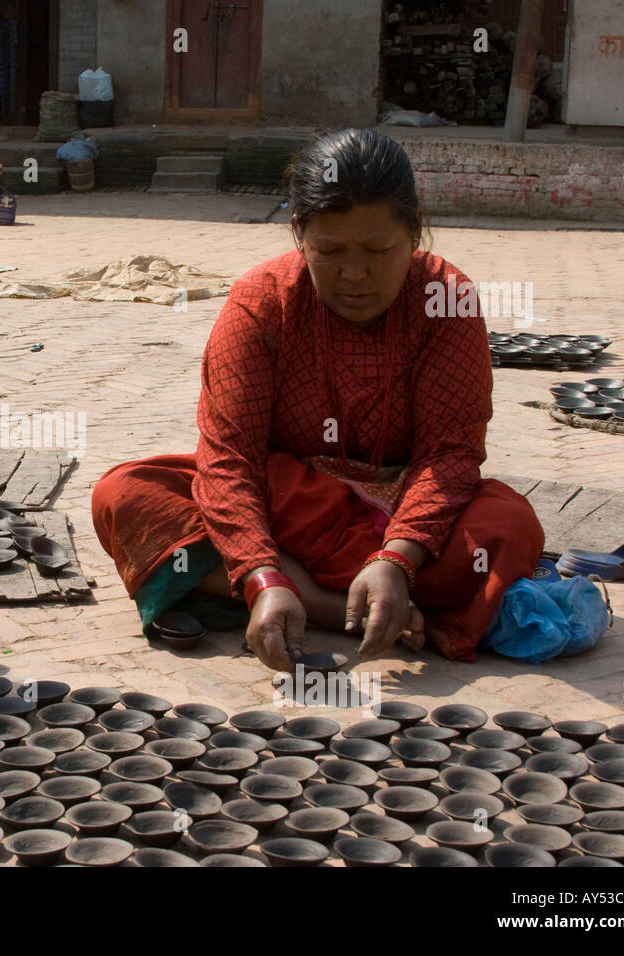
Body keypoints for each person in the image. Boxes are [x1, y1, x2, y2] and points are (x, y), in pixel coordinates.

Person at [91, 129, 545, 668]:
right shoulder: (262, 301)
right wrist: (261, 574)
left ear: (415, 233)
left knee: (507, 526)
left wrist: (397, 558)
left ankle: (363, 589)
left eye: (379, 250)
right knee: (125, 493)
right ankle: (322, 603)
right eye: (328, 251)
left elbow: (451, 454)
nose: (355, 275)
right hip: (287, 508)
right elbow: (229, 456)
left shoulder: (446, 300)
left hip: (398, 513)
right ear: (297, 234)